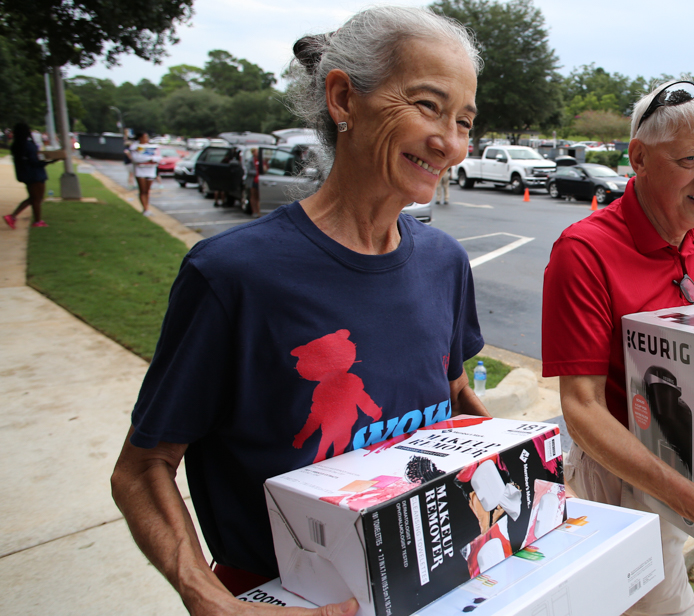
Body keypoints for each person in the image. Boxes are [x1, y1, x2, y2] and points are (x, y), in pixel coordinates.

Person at [110, 6, 486, 614]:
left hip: (427, 579)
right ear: (343, 98)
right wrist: (208, 598)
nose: (450, 142)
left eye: (464, 120)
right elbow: (143, 468)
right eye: (427, 106)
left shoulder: (444, 262)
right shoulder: (233, 274)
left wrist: (523, 474)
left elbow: (454, 399)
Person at [542, 81, 694, 616]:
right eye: (691, 160)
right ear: (639, 157)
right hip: (620, 474)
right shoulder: (584, 251)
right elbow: (581, 408)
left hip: (689, 456)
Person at [5, 122, 60, 229]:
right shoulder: (29, 146)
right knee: (37, 199)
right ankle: (37, 221)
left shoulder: (16, 146)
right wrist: (50, 161)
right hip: (35, 175)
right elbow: (35, 162)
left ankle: (13, 217)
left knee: (33, 198)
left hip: (26, 175)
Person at [129, 132, 160, 216]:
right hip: (140, 171)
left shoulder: (152, 147)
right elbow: (136, 158)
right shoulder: (135, 147)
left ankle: (147, 208)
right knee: (142, 190)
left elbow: (158, 157)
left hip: (150, 170)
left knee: (147, 191)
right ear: (140, 138)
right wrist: (147, 159)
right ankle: (145, 209)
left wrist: (151, 159)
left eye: (147, 137)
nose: (146, 139)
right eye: (145, 137)